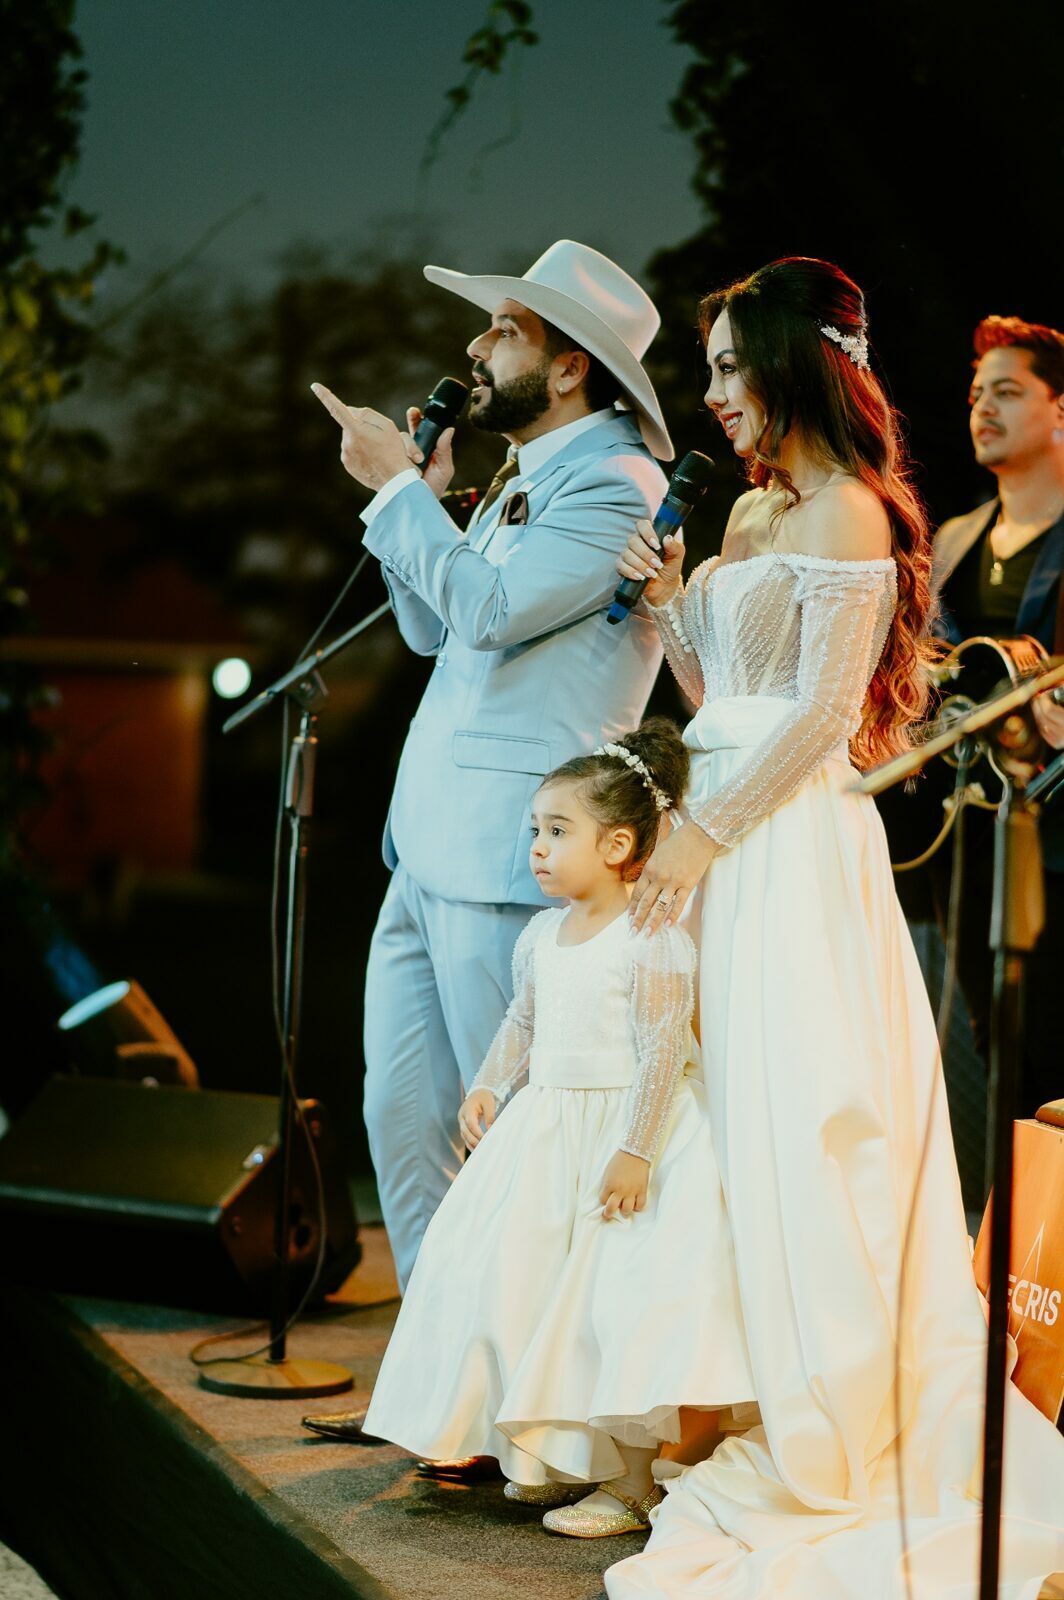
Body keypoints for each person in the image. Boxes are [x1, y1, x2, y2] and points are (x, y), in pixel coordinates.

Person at [603, 260, 1064, 1598]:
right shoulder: (752, 508)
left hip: (790, 843)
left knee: (801, 1113)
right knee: (715, 1116)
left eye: (728, 366)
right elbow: (722, 698)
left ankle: (827, 1409)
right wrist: (671, 600)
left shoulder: (855, 509)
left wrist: (705, 831)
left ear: (793, 363)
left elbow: (817, 716)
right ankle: (726, 1394)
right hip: (719, 817)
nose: (712, 393)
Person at [309, 241, 671, 1298]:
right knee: (398, 1114)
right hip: (426, 846)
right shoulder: (523, 476)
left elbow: (492, 610)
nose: (475, 347)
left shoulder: (616, 485)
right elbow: (433, 628)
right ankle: (439, 1356)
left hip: (517, 851)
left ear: (569, 367)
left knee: (503, 1129)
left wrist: (396, 494)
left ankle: (520, 1359)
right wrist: (420, 501)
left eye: (504, 329)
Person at [360, 718, 754, 1536]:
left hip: (622, 1138)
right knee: (529, 1291)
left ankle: (635, 1483)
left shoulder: (651, 941)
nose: (537, 848)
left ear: (617, 845)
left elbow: (661, 1054)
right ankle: (555, 1458)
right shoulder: (543, 935)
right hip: (548, 1132)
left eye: (557, 831)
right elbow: (524, 1021)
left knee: (614, 1305)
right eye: (535, 830)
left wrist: (636, 1150)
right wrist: (489, 1084)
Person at [909, 316, 1064, 1117]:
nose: (983, 408)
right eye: (976, 395)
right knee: (998, 1042)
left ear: (1060, 408)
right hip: (970, 830)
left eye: (1006, 391)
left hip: (1059, 828)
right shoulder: (955, 539)